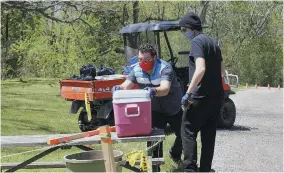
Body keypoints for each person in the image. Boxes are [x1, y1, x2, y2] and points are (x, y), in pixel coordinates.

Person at [112, 43, 183, 171]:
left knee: (183, 135)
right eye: (140, 59)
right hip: (154, 110)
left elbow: (165, 89)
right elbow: (126, 85)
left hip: (173, 107)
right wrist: (118, 88)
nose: (143, 62)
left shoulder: (164, 68)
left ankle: (175, 154)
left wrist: (154, 91)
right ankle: (155, 169)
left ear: (154, 57)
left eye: (146, 60)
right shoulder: (136, 69)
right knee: (154, 140)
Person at [179, 12, 225, 172]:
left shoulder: (197, 42)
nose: (184, 33)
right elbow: (221, 71)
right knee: (208, 135)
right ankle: (205, 169)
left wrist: (188, 93)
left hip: (200, 96)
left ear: (190, 28)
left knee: (188, 130)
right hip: (216, 96)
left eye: (183, 29)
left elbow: (200, 69)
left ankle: (190, 169)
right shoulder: (213, 43)